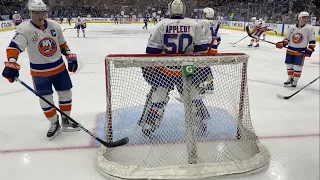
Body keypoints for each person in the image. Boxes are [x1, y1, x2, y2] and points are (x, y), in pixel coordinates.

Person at [2, 0, 80, 141]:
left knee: (66, 93)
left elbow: (62, 44)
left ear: (46, 12)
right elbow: (13, 47)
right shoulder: (24, 29)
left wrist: (69, 55)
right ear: (30, 13)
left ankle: (66, 119)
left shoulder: (54, 26)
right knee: (45, 100)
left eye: (42, 12)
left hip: (59, 68)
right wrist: (11, 63)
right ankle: (54, 123)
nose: (39, 15)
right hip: (40, 73)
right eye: (36, 12)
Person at [138, 0, 211, 136]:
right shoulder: (194, 24)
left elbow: (152, 51)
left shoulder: (161, 25)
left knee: (158, 97)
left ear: (170, 10)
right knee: (193, 96)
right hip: (187, 68)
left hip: (165, 68)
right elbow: (201, 50)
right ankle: (201, 120)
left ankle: (149, 124)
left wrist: (149, 69)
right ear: (184, 10)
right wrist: (203, 70)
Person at [276, 11, 316, 87]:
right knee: (289, 65)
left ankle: (295, 80)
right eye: (304, 17)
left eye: (307, 18)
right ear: (299, 18)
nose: (306, 19)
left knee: (298, 66)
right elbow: (287, 39)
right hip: (290, 50)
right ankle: (290, 78)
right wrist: (282, 43)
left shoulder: (310, 28)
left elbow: (312, 40)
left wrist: (310, 49)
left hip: (301, 52)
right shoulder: (292, 27)